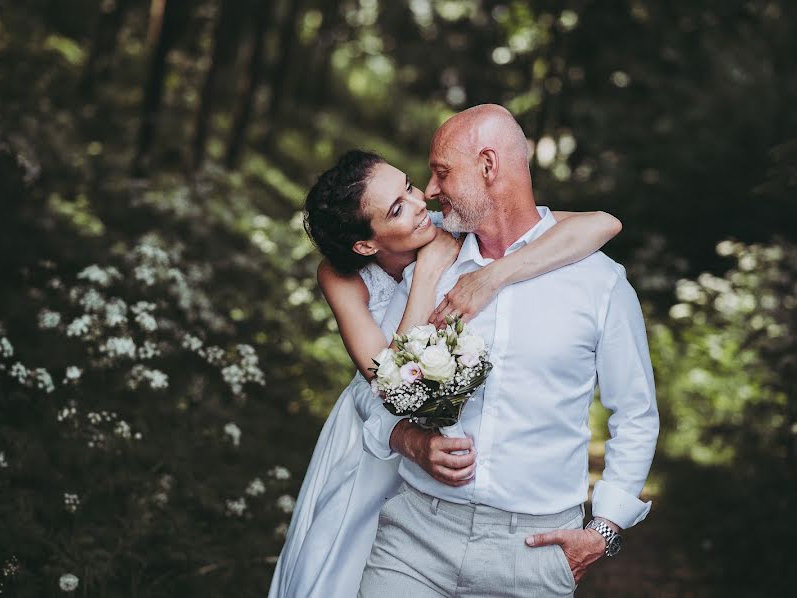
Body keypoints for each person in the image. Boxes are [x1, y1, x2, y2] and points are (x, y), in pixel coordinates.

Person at [267, 149, 623, 598]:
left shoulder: (450, 224)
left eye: (409, 187)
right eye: (397, 209)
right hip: (375, 437)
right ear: (365, 244)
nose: (421, 205)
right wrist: (428, 272)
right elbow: (390, 379)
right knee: (343, 562)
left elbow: (602, 223)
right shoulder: (341, 275)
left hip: (446, 440)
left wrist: (494, 277)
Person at [356, 105, 660, 597]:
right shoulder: (430, 268)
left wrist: (604, 528)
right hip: (414, 538)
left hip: (532, 554)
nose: (430, 192)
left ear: (488, 167)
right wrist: (412, 441)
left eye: (441, 172)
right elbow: (374, 392)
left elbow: (637, 412)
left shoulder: (600, 282)